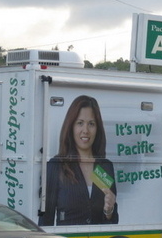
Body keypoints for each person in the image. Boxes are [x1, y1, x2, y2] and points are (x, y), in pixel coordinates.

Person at [39, 95, 118, 225]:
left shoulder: (104, 167)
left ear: (98, 129)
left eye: (91, 124)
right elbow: (46, 218)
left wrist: (109, 211)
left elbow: (113, 221)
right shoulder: (56, 165)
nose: (85, 130)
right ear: (71, 127)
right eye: (80, 123)